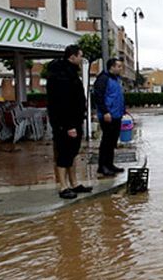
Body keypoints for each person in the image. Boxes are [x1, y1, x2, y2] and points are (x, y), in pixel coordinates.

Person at [46, 44, 92, 199]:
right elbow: (62, 102)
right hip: (65, 124)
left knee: (72, 153)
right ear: (72, 57)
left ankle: (74, 183)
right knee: (64, 154)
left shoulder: (70, 72)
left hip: (74, 121)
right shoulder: (61, 75)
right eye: (80, 56)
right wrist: (68, 125)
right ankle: (63, 186)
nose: (81, 59)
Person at [93, 57, 126, 176]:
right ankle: (102, 166)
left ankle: (110, 164)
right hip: (108, 115)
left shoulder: (116, 79)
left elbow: (118, 96)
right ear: (112, 67)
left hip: (116, 115)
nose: (120, 68)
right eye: (119, 66)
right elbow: (98, 97)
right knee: (106, 141)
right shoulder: (103, 79)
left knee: (112, 141)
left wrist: (123, 111)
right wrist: (105, 112)